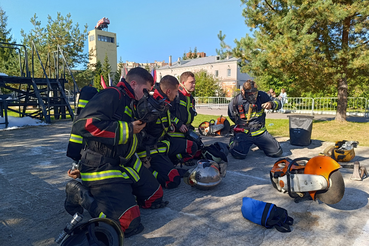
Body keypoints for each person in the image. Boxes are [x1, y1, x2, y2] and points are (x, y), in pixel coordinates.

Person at [65, 67, 167, 238]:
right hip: (101, 165)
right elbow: (84, 125)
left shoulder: (133, 102)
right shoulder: (113, 95)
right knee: (128, 224)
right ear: (133, 83)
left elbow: (136, 138)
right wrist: (129, 128)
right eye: (145, 91)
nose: (146, 95)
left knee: (155, 197)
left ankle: (121, 196)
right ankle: (79, 194)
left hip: (125, 163)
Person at [136, 75, 185, 189]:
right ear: (168, 91)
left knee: (192, 146)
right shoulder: (152, 106)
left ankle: (169, 164)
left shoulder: (163, 103)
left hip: (162, 143)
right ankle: (148, 171)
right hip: (150, 150)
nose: (177, 94)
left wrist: (172, 126)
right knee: (173, 180)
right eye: (176, 91)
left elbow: (164, 123)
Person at [228, 80, 283, 159]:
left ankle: (261, 144)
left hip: (260, 133)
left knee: (277, 152)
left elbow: (278, 102)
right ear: (243, 91)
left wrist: (272, 104)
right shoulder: (235, 101)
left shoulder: (261, 95)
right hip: (244, 133)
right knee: (238, 154)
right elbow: (231, 115)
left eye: (254, 93)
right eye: (250, 94)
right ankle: (233, 140)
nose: (253, 96)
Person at [168, 71, 200, 166]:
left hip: (186, 129)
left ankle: (181, 157)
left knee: (199, 144)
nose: (194, 85)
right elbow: (166, 112)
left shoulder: (191, 98)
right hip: (175, 131)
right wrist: (178, 124)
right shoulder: (176, 96)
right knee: (192, 147)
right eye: (191, 82)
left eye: (194, 82)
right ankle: (175, 159)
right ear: (183, 83)